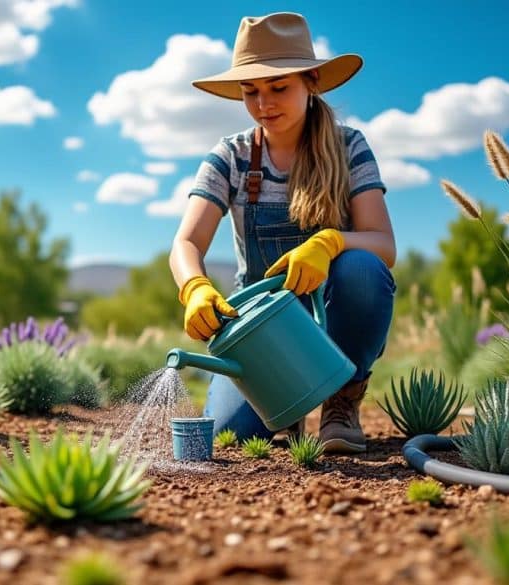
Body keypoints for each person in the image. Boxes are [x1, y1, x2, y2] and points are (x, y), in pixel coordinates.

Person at [169, 12, 396, 454]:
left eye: (278, 88)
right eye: (250, 91)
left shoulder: (349, 147)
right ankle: (287, 407)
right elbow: (187, 242)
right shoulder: (231, 156)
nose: (263, 104)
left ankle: (341, 399)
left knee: (363, 269)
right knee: (231, 436)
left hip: (330, 321)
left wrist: (329, 242)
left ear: (311, 81)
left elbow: (383, 244)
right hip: (262, 331)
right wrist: (193, 286)